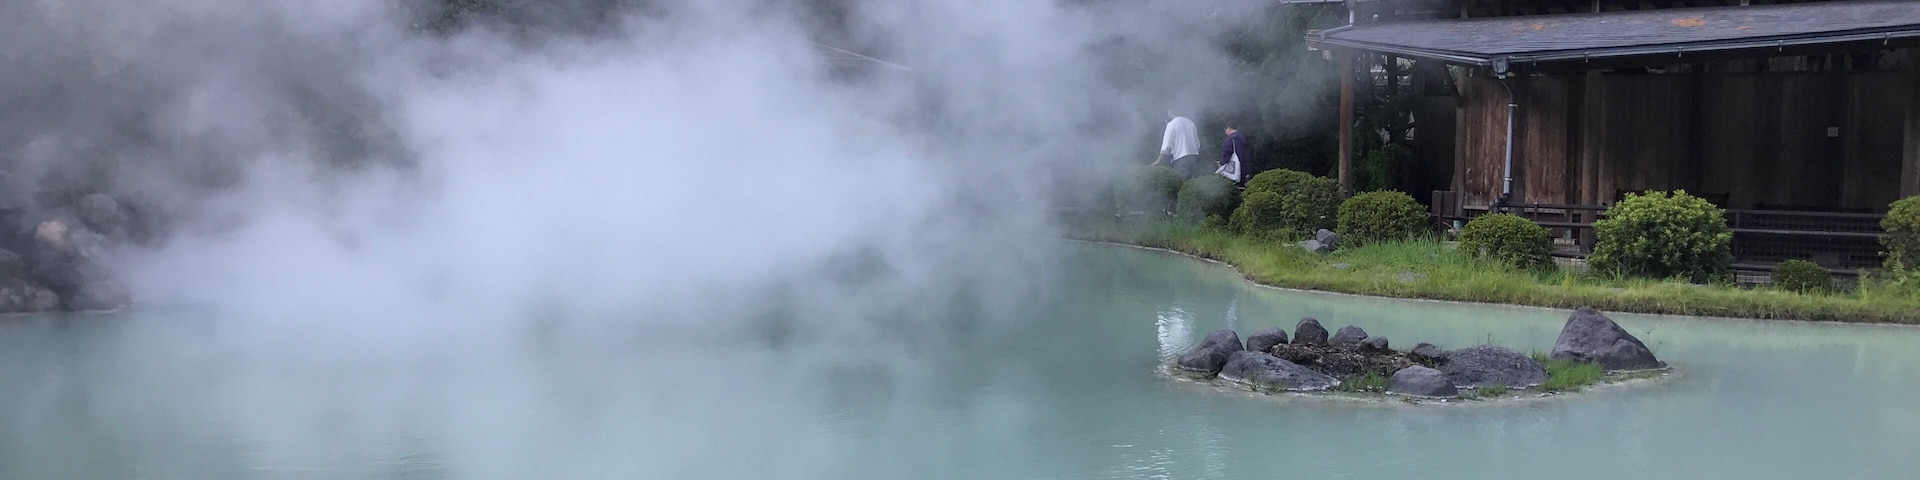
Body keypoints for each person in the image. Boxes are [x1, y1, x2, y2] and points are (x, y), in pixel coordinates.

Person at [1157, 112, 1200, 179]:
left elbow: (1166, 147)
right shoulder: (1191, 123)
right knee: (1193, 182)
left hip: (1181, 160)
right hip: (1194, 158)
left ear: (1171, 112)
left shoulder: (1172, 124)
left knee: (1182, 181)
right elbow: (1197, 144)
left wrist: (1158, 162)